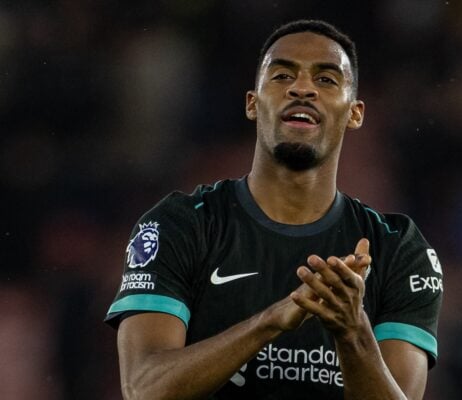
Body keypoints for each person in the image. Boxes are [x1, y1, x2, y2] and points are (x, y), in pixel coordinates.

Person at [105, 19, 443, 400]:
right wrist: (270, 322)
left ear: (355, 113)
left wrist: (352, 332)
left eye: (327, 79)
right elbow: (144, 390)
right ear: (253, 103)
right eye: (282, 75)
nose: (302, 88)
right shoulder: (182, 226)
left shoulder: (398, 250)